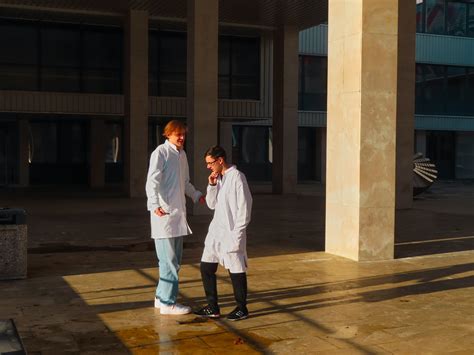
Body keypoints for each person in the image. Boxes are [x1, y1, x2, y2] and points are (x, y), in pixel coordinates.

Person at [146, 120, 204, 315]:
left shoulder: (182, 155)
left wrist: (196, 195)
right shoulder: (160, 153)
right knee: (169, 261)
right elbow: (151, 182)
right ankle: (168, 303)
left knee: (172, 260)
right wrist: (154, 205)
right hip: (164, 215)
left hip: (178, 216)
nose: (181, 138)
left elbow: (185, 182)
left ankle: (160, 297)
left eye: (183, 135)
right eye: (177, 134)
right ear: (167, 134)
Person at [195, 145, 253, 321]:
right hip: (215, 232)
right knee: (206, 267)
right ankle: (212, 307)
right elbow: (211, 204)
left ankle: (242, 308)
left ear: (220, 160)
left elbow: (245, 209)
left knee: (235, 269)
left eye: (210, 163)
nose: (208, 167)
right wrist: (211, 185)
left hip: (231, 232)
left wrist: (238, 234)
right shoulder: (218, 179)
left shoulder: (237, 178)